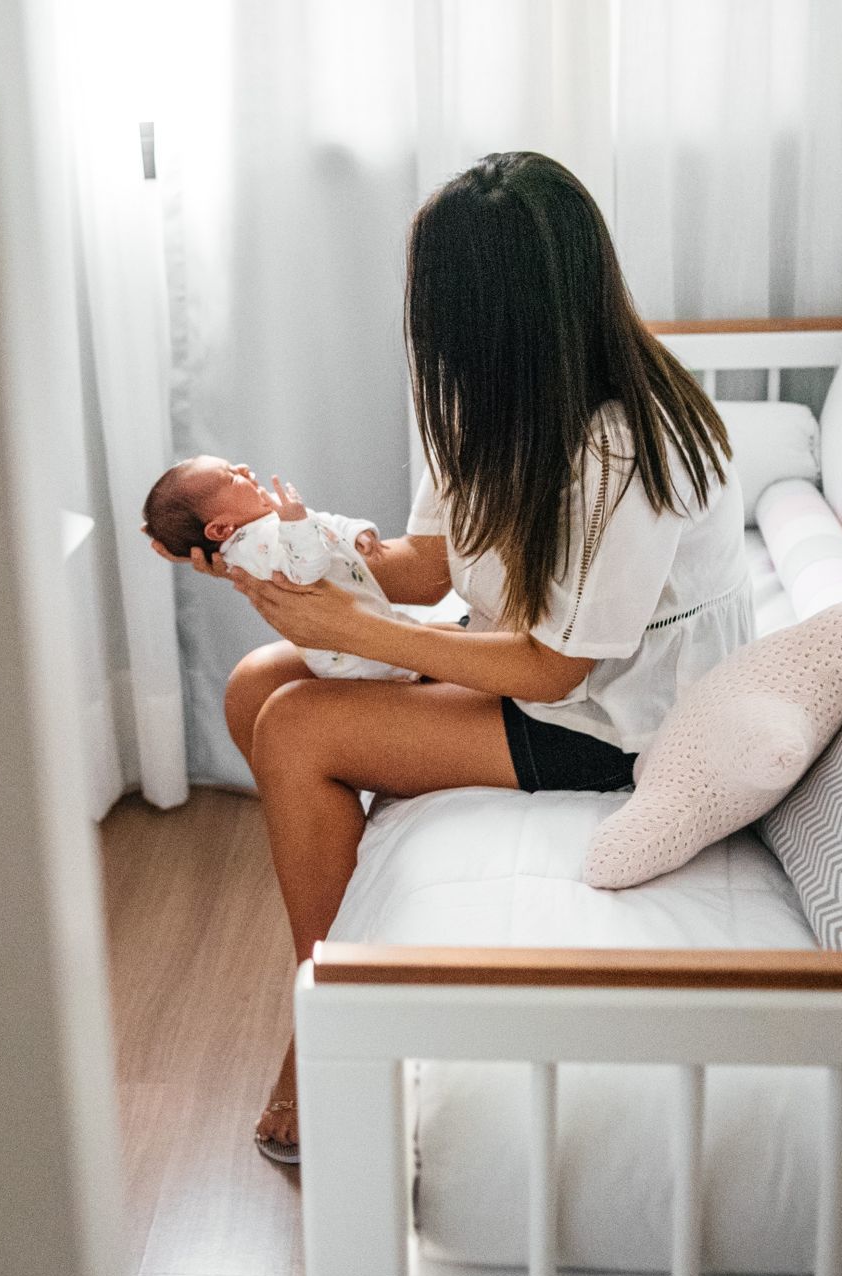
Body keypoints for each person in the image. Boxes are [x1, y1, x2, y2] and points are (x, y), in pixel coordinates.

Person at [148, 151, 751, 1164]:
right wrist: (291, 561)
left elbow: (561, 669)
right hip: (521, 657)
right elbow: (430, 566)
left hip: (611, 716)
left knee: (298, 727)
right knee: (257, 685)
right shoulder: (482, 394)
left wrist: (355, 632)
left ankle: (331, 1025)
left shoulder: (627, 450)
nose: (422, 333)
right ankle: (343, 977)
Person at [142, 456, 417, 681]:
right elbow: (307, 569)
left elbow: (322, 523)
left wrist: (355, 532)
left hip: (375, 627)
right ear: (221, 528)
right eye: (231, 477)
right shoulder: (252, 546)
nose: (243, 468)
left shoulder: (268, 525)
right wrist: (295, 523)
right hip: (358, 660)